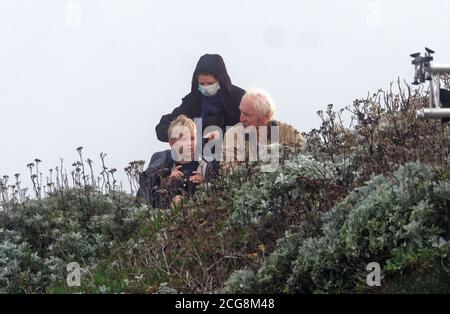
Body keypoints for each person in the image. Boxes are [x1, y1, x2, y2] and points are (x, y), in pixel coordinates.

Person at [155, 54, 245, 143]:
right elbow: (163, 127)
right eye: (202, 84)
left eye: (210, 83)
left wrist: (224, 134)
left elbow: (252, 126)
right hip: (197, 153)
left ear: (221, 80)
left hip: (233, 152)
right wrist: (181, 134)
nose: (206, 87)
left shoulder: (239, 98)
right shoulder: (193, 100)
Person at [222, 88, 305, 171]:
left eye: (247, 115)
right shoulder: (233, 135)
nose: (241, 118)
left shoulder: (289, 134)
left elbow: (305, 163)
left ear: (265, 118)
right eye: (241, 112)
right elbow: (228, 174)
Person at [136, 115, 206, 208]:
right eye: (184, 139)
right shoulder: (163, 162)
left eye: (193, 138)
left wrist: (205, 183)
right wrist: (168, 182)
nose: (189, 143)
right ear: (172, 143)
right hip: (164, 217)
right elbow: (146, 195)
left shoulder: (203, 164)